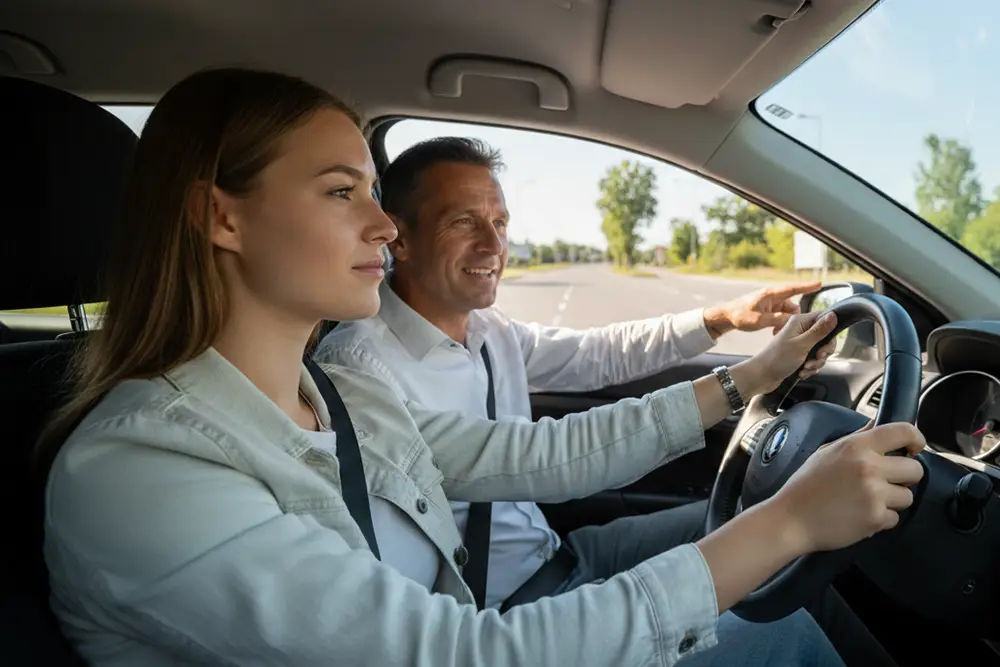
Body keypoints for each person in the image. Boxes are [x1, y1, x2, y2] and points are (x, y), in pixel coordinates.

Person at [41, 67, 924, 667]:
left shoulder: (336, 399)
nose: (382, 226)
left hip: (503, 610)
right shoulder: (141, 470)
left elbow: (544, 455)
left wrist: (747, 378)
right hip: (492, 633)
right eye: (342, 192)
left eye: (373, 194)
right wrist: (788, 523)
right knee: (779, 627)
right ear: (222, 218)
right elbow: (463, 653)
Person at [313, 137, 893, 666]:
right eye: (463, 222)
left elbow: (600, 354)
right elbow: (542, 458)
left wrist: (721, 318)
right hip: (501, 622)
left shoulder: (491, 331)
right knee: (782, 629)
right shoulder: (361, 368)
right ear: (400, 237)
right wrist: (749, 377)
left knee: (762, 531)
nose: (493, 244)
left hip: (559, 558)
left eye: (500, 222)